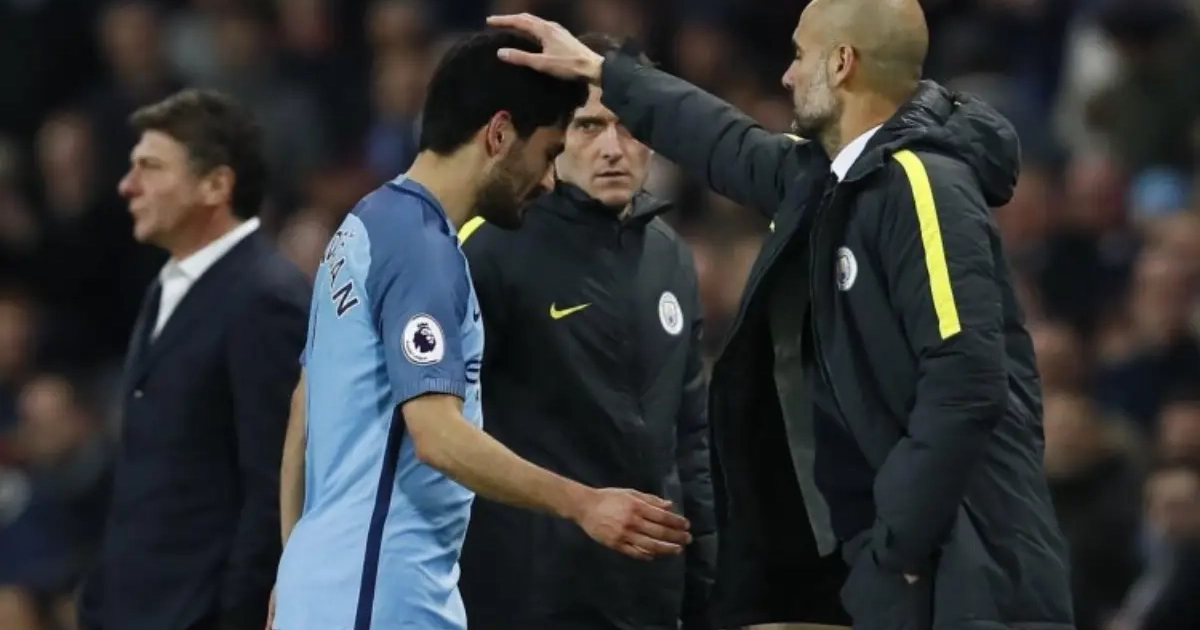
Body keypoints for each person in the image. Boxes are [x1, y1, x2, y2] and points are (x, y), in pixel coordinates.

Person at [489, 1, 1075, 629]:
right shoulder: (832, 180)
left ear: (842, 63)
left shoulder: (922, 183)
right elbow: (724, 141)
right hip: (891, 566)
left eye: (799, 56)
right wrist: (607, 73)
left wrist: (898, 549)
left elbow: (966, 382)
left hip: (965, 573)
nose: (787, 76)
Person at [271, 29, 693, 630]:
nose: (548, 181)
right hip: (383, 594)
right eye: (547, 153)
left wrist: (295, 566)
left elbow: (303, 409)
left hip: (330, 586)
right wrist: (583, 503)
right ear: (498, 135)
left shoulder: (364, 225)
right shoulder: (425, 255)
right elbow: (437, 435)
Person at [455, 32, 716, 630]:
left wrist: (703, 581)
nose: (613, 149)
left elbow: (689, 437)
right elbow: (442, 430)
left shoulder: (671, 257)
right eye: (590, 127)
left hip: (648, 595)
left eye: (631, 127)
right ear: (552, 136)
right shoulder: (488, 249)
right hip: (528, 597)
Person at [77, 89, 310, 630]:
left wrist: (234, 615)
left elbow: (274, 486)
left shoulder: (264, 298)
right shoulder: (168, 284)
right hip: (134, 608)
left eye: (150, 167)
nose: (127, 185)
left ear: (216, 186)